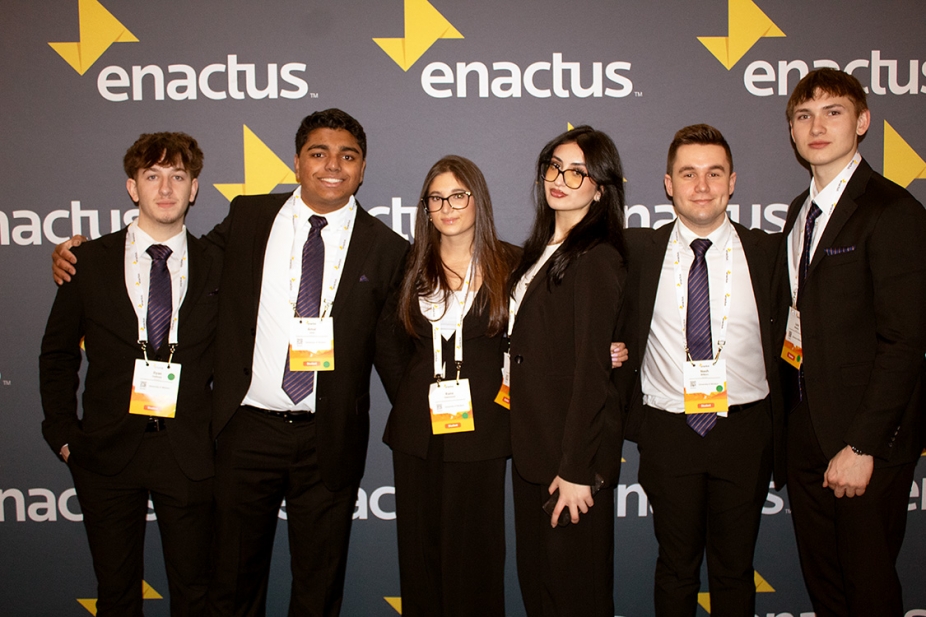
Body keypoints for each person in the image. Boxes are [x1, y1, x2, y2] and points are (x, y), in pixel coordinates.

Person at [52, 109, 409, 616]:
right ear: (297, 162)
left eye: (347, 155)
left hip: (329, 439)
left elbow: (397, 352)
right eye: (319, 152)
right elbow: (176, 256)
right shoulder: (249, 217)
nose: (333, 164)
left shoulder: (390, 248)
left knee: (319, 588)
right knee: (232, 588)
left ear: (362, 167)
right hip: (245, 433)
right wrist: (78, 255)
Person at [40, 132, 220, 615]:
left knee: (196, 594)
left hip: (189, 453)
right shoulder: (87, 262)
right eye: (153, 176)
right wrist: (62, 433)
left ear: (194, 188)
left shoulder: (218, 265)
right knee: (116, 594)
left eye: (178, 176)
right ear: (132, 187)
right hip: (106, 452)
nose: (166, 188)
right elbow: (57, 354)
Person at [616, 124, 784, 616]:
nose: (702, 186)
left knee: (735, 570)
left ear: (732, 182)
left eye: (714, 173)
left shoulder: (769, 253)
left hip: (745, 431)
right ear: (668, 183)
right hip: (669, 430)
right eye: (688, 174)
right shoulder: (636, 252)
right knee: (676, 567)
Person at [778, 68, 926, 616]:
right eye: (803, 115)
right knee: (827, 589)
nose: (817, 126)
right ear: (792, 131)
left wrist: (862, 446)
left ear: (862, 122)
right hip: (807, 436)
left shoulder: (893, 212)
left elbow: (905, 342)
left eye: (833, 112)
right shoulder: (800, 212)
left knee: (868, 589)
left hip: (864, 444)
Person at [383, 155, 519, 616]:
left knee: (476, 557)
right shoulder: (408, 265)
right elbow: (388, 345)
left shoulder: (512, 264)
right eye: (436, 198)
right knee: (421, 555)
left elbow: (540, 340)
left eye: (458, 195)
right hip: (417, 435)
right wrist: (411, 395)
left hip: (482, 430)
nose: (447, 206)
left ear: (477, 200)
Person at [507, 126, 626, 616]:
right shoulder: (539, 251)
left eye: (578, 172)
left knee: (574, 595)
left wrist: (576, 470)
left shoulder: (597, 257)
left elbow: (590, 372)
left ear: (599, 188)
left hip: (569, 464)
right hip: (534, 448)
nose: (560, 179)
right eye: (554, 167)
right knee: (540, 591)